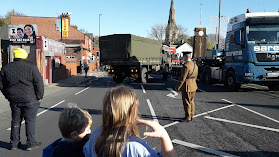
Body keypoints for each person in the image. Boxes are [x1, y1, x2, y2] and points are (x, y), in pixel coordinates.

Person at [83, 86, 175, 157]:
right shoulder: (134, 146)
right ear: (132, 112)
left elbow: (86, 152)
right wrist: (164, 135)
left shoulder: (95, 136)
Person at [0, 48, 44, 150]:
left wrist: (8, 96)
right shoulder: (32, 67)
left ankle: (14, 143)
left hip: (14, 100)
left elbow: (1, 86)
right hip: (30, 99)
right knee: (30, 121)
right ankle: (30, 143)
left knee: (15, 121)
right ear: (24, 56)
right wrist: (39, 97)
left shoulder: (6, 68)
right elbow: (39, 83)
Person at [175, 51, 198, 122]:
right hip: (193, 85)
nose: (183, 59)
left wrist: (178, 87)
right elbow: (196, 76)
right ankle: (191, 115)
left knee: (186, 102)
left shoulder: (186, 66)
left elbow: (182, 78)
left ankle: (187, 117)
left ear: (185, 57)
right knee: (192, 101)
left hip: (187, 86)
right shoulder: (195, 65)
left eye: (183, 57)